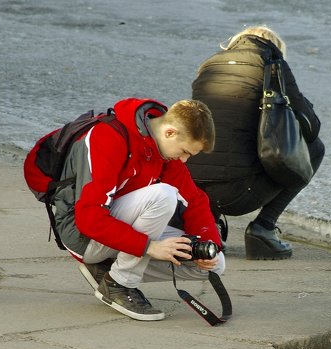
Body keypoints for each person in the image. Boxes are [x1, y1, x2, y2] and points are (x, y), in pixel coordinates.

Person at [53, 98, 226, 321]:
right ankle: (119, 284)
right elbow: (89, 219)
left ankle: (109, 269)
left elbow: (195, 201)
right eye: (185, 152)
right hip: (81, 234)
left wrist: (208, 244)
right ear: (170, 132)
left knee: (214, 264)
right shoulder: (108, 136)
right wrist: (148, 246)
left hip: (115, 228)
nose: (183, 160)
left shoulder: (161, 149)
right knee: (163, 195)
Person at [186, 26, 324, 260]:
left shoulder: (209, 66)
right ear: (275, 47)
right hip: (241, 192)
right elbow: (310, 128)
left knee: (221, 138)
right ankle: (263, 228)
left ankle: (210, 226)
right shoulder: (273, 65)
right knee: (315, 149)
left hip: (194, 187)